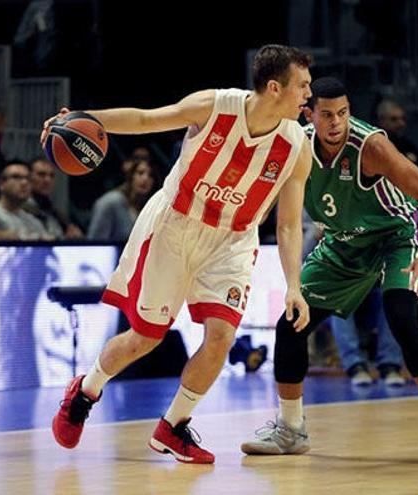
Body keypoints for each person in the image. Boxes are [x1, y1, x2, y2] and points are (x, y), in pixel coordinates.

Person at [48, 44, 314, 465]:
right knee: (145, 338)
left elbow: (287, 224)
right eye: (303, 86)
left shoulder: (297, 146)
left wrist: (293, 286)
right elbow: (146, 119)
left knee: (221, 337)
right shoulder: (214, 106)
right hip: (175, 226)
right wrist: (86, 120)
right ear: (274, 87)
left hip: (232, 240)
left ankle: (172, 426)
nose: (308, 96)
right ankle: (85, 390)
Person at [240, 77, 418, 465]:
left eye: (343, 113)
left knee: (400, 317)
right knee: (291, 323)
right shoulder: (296, 147)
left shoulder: (371, 146)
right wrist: (293, 283)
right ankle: (291, 429)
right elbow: (287, 221)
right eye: (327, 114)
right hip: (344, 242)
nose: (336, 122)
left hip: (394, 237)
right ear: (309, 114)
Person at [86, 157, 157, 243]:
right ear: (131, 176)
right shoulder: (110, 203)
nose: (145, 178)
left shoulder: (150, 209)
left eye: (151, 175)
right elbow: (95, 244)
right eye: (140, 173)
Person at [0, 160, 52, 240]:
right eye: (16, 177)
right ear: (1, 184)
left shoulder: (34, 221)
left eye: (28, 178)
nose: (24, 182)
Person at [25, 156, 84, 239]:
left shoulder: (55, 213)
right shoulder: (19, 209)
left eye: (51, 176)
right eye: (41, 174)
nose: (47, 180)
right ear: (28, 177)